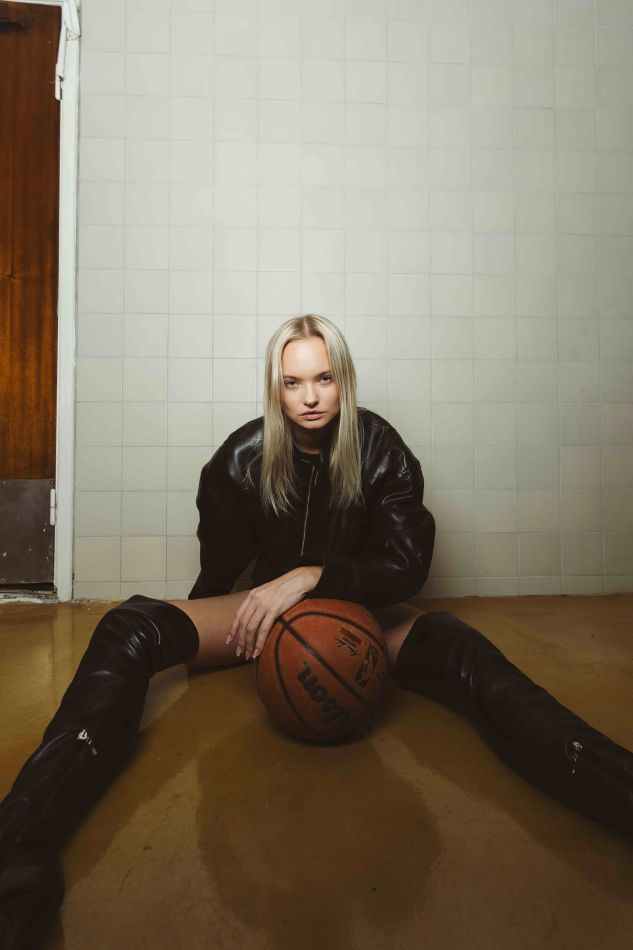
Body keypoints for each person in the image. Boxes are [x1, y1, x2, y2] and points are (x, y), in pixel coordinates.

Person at [0, 315, 631, 949]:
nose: (309, 397)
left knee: (462, 647)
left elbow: (406, 566)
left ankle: (614, 786)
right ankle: (20, 846)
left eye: (324, 379)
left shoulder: (381, 449)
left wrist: (313, 576)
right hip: (271, 612)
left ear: (344, 381)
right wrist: (203, 636)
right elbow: (218, 573)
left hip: (360, 608)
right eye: (293, 382)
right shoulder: (239, 461)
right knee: (130, 625)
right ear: (274, 388)